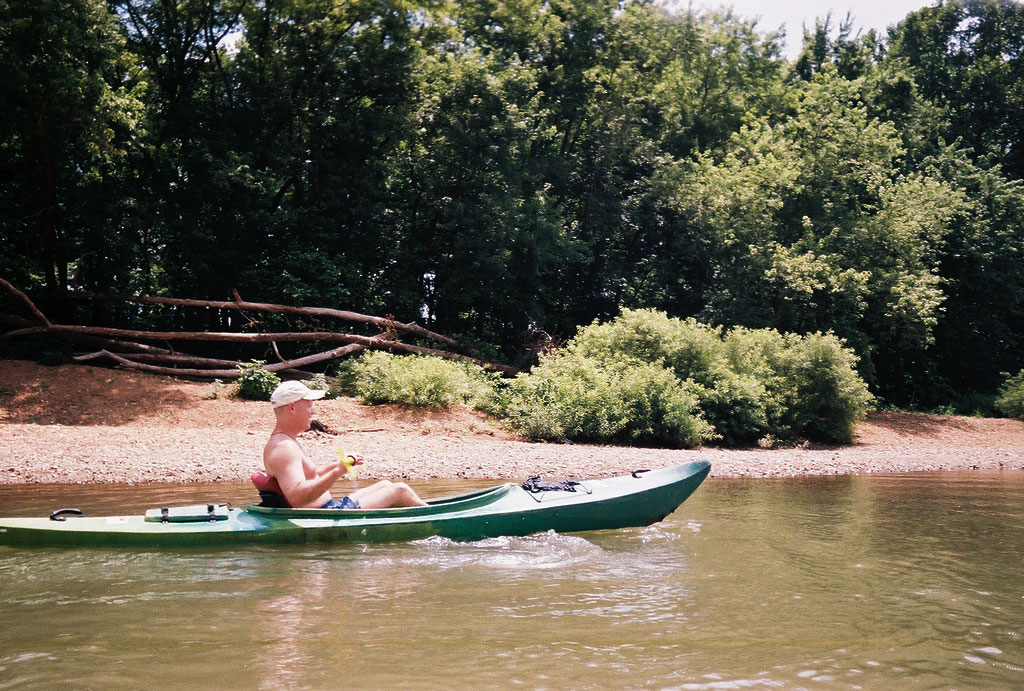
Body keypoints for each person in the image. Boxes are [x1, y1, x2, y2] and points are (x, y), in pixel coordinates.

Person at [262, 380, 427, 509]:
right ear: (292, 408)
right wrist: (338, 470)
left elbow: (309, 475)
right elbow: (297, 497)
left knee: (386, 485)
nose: (314, 411)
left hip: (328, 509)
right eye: (310, 405)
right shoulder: (284, 448)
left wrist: (340, 464)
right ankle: (438, 521)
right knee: (400, 490)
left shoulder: (284, 442)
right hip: (326, 515)